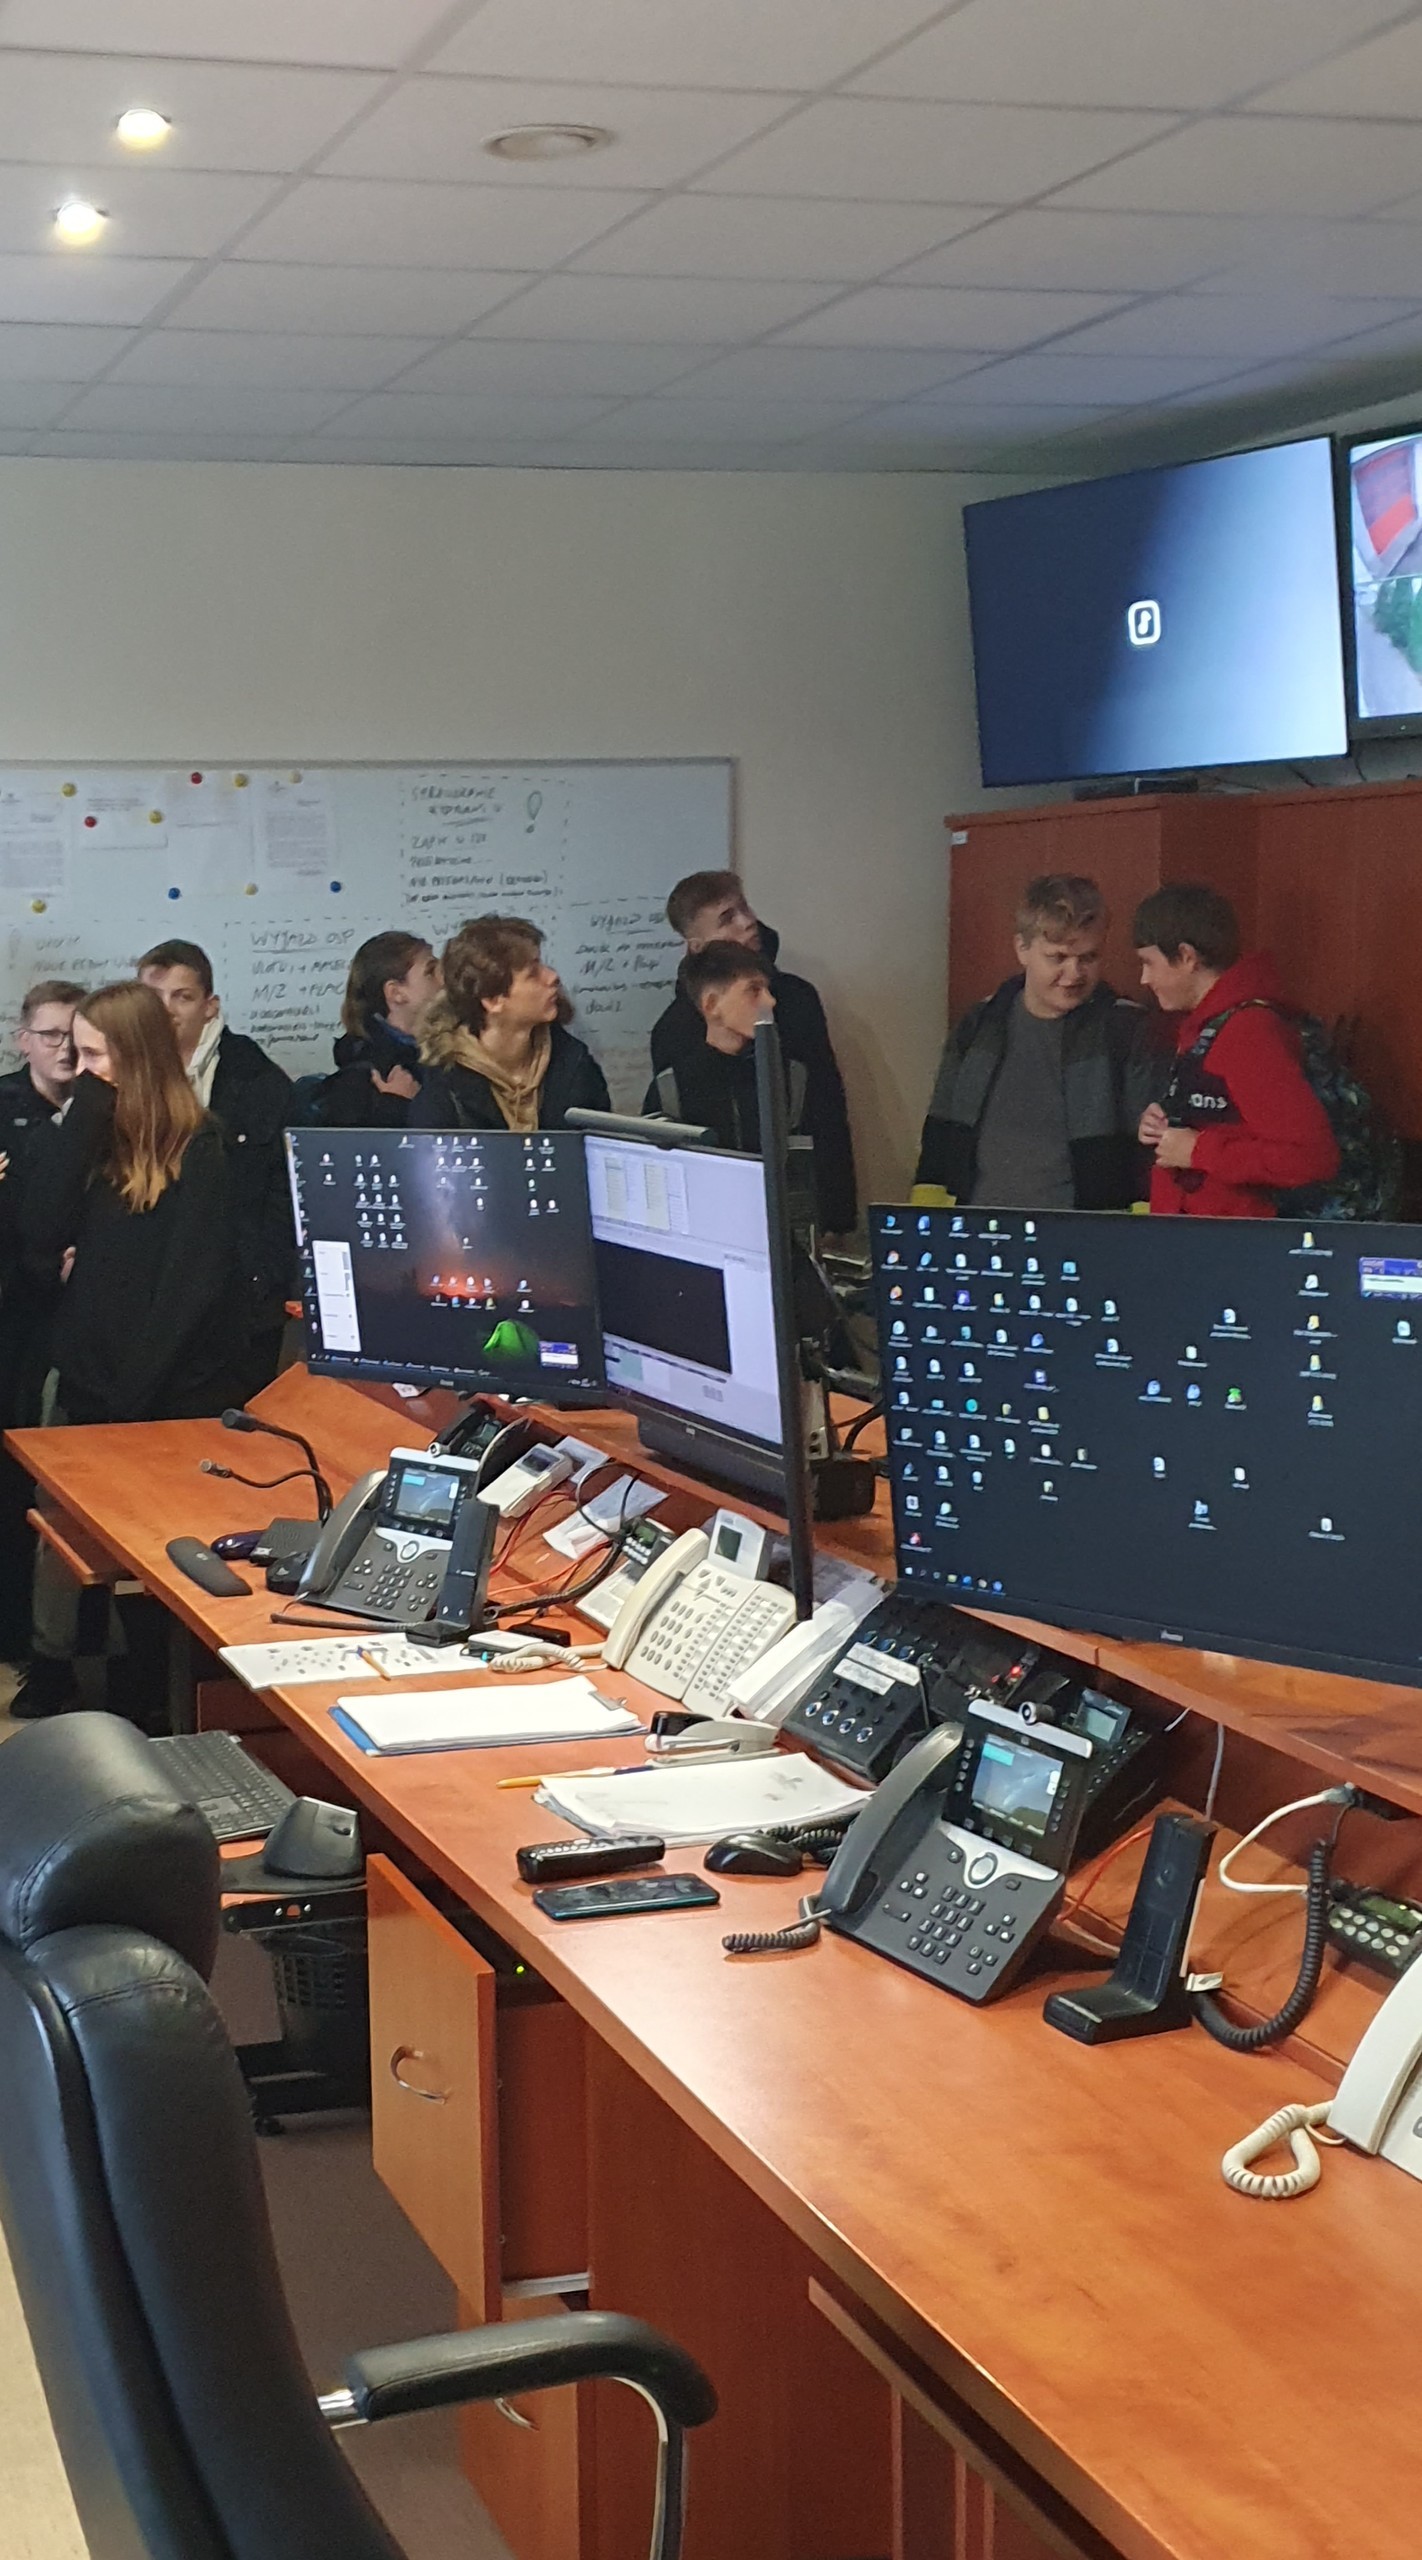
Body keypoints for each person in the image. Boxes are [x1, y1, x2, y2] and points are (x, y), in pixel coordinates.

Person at [14, 981, 246, 1718]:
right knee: (62, 1541)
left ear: (136, 1056)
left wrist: (132, 1398)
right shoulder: (93, 1132)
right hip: (85, 1373)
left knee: (145, 1554)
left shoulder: (201, 1146)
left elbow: (188, 1290)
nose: (78, 1068)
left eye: (93, 1056)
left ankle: (142, 1697)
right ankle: (57, 1667)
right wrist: (84, 1113)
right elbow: (38, 1234)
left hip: (159, 1391)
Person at [914, 874, 1151, 1210]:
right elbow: (940, 1131)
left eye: (1089, 958)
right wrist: (925, 1219)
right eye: (1057, 958)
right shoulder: (979, 1024)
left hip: (1086, 1231)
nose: (1074, 974)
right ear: (1022, 949)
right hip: (977, 1228)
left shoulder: (1126, 1029)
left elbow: (1148, 1151)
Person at [651, 870, 857, 1237]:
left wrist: (839, 1219)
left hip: (796, 1217)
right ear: (696, 945)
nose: (748, 922)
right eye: (727, 918)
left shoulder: (797, 1001)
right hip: (712, 1222)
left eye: (744, 908)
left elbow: (827, 1112)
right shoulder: (673, 1029)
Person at [137, 939, 295, 1391]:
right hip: (148, 1295)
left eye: (182, 997)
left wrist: (262, 1279)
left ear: (210, 1006)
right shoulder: (123, 1076)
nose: (166, 1010)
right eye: (154, 997)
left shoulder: (257, 1080)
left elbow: (283, 1192)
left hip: (236, 1300)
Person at [1133, 883, 1339, 1219]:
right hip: (1199, 1232)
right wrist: (1167, 1121)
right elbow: (1223, 1116)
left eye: (1149, 963)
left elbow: (1309, 1157)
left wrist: (1198, 1150)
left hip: (1236, 1239)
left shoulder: (1248, 1032)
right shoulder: (1204, 1024)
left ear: (1186, 957)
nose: (1144, 978)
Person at [0, 980, 85, 1662]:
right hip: (14, 1317)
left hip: (82, 1317)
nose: (63, 1050)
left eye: (74, 1036)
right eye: (50, 1035)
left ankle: (65, 1646)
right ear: (23, 1039)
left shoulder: (105, 1111)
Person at [412, 916, 610, 1132]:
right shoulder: (444, 1090)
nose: (552, 976)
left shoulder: (575, 1063)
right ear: (493, 1000)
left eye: (542, 965)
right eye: (533, 973)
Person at [644, 940, 800, 1156]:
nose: (770, 1001)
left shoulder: (790, 1074)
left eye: (767, 989)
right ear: (712, 1005)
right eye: (754, 990)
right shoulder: (671, 1087)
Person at [312, 931, 442, 1127]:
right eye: (430, 972)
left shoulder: (447, 1046)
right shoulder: (362, 1076)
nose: (443, 980)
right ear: (396, 993)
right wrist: (398, 1104)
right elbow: (355, 1143)